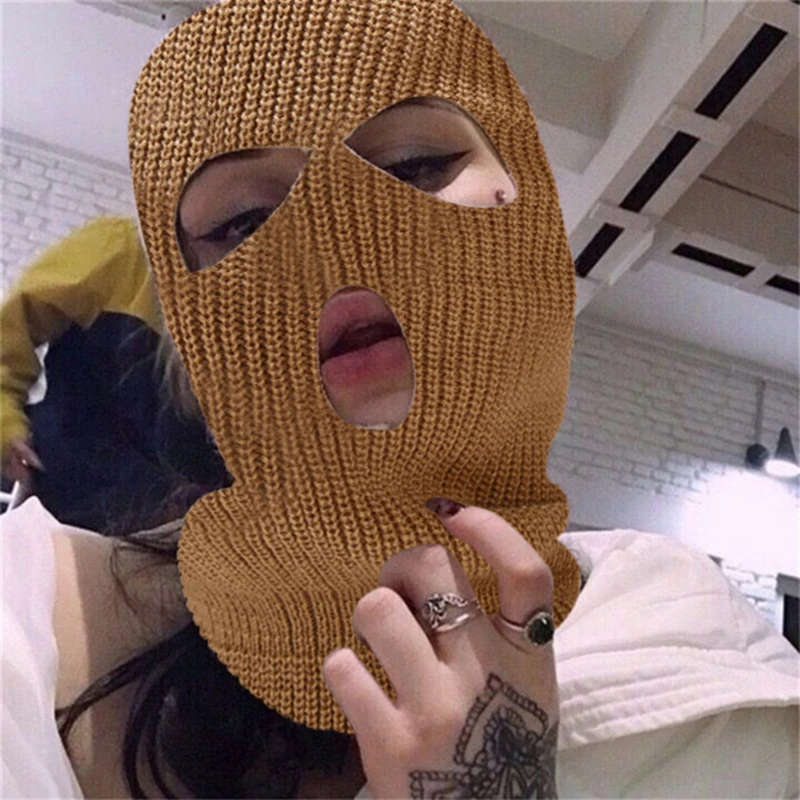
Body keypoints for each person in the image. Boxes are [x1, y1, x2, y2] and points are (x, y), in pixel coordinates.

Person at [1, 0, 797, 798]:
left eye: (415, 163)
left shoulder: (690, 643)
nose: (333, 233)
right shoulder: (27, 616)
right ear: (184, 319)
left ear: (532, 205)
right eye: (244, 221)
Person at [0, 217, 230, 533]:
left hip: (156, 539)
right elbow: (13, 328)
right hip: (43, 476)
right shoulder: (122, 251)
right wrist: (5, 424)